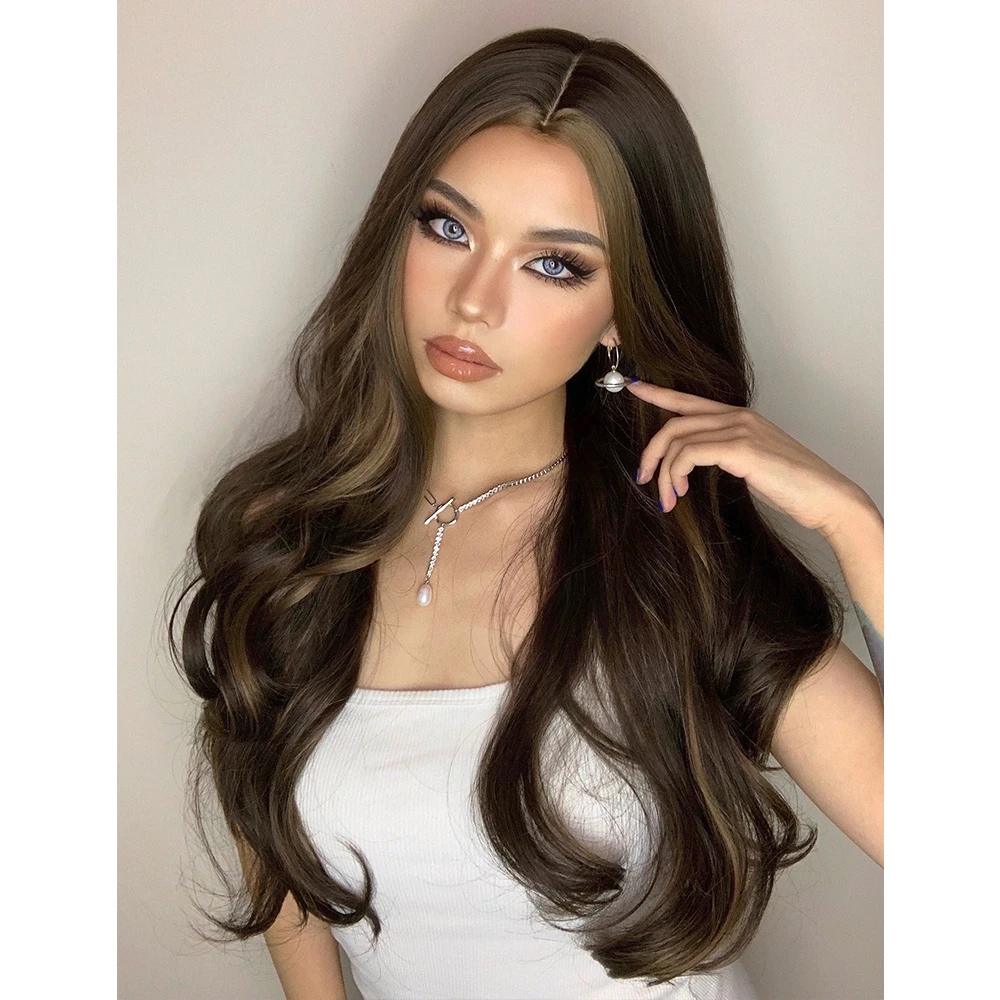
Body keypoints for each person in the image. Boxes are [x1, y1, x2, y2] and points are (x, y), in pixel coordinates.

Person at [169, 27, 883, 1000]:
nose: (472, 300)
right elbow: (273, 840)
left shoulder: (680, 557)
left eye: (553, 265)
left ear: (622, 309)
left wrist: (856, 528)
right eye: (448, 227)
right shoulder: (286, 536)